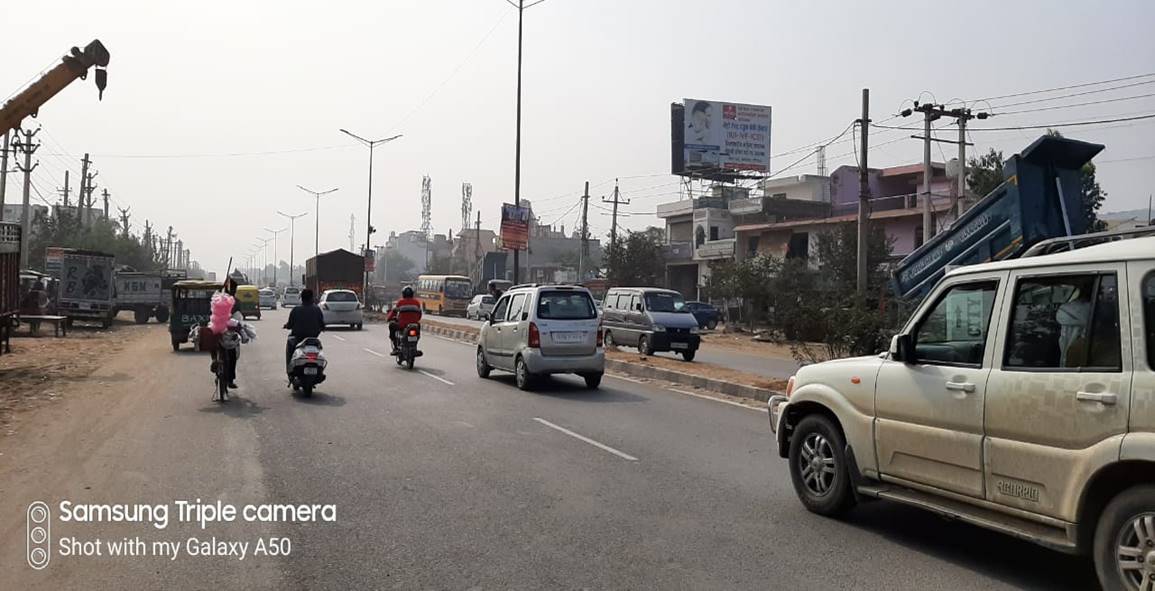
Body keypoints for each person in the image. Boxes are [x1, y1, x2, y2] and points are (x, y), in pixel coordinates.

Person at [283, 288, 325, 370]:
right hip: (313, 338)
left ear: (301, 298)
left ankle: (289, 368)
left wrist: (287, 326)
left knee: (290, 343)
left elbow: (290, 324)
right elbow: (322, 324)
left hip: (298, 338)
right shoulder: (317, 309)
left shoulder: (296, 310)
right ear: (312, 298)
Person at [387, 286, 423, 354]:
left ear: (403, 294)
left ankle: (395, 347)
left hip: (402, 325)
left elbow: (393, 312)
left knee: (391, 325)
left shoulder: (400, 302)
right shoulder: (417, 303)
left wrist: (389, 318)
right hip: (414, 325)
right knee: (418, 329)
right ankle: (415, 346)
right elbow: (419, 316)